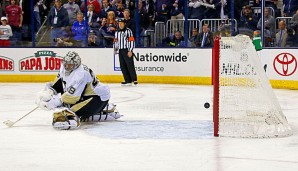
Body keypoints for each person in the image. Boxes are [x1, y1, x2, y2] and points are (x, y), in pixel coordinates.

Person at [35, 51, 121, 130]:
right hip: (86, 95)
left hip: (98, 98)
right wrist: (50, 91)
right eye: (66, 64)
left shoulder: (81, 74)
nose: (67, 66)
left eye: (70, 65)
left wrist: (54, 102)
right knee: (66, 105)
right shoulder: (64, 67)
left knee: (69, 110)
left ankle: (103, 108)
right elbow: (60, 81)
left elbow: (72, 97)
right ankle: (100, 110)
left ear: (76, 64)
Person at [113, 18, 138, 86]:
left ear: (125, 24)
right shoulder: (117, 32)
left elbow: (131, 41)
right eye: (119, 24)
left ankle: (134, 79)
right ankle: (127, 80)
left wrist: (130, 50)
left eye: (121, 23)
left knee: (130, 65)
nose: (120, 25)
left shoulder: (128, 31)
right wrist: (115, 49)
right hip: (120, 50)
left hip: (127, 50)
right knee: (122, 65)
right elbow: (115, 41)